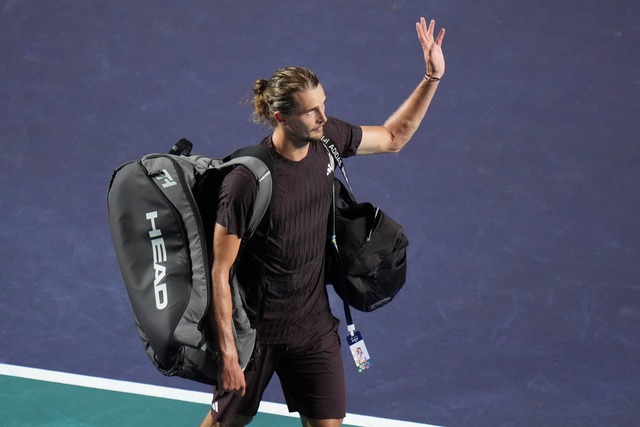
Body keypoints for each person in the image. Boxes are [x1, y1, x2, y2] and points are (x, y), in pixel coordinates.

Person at [201, 16, 446, 427]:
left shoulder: (327, 138)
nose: (322, 116)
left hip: (313, 328)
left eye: (324, 104)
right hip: (255, 335)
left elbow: (392, 136)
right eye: (311, 111)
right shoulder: (247, 181)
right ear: (280, 117)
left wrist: (431, 77)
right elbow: (220, 271)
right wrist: (228, 352)